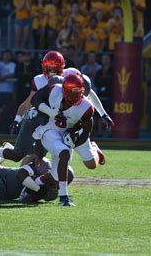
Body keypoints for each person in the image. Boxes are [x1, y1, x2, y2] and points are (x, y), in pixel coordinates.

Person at [29, 74, 96, 206]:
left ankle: (33, 185)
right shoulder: (55, 89)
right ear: (64, 90)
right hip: (49, 131)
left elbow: (86, 132)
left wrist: (74, 140)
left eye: (76, 95)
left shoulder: (86, 108)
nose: (72, 98)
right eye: (70, 95)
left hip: (64, 136)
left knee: (56, 176)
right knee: (64, 152)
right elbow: (35, 99)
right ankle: (63, 197)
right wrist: (49, 111)